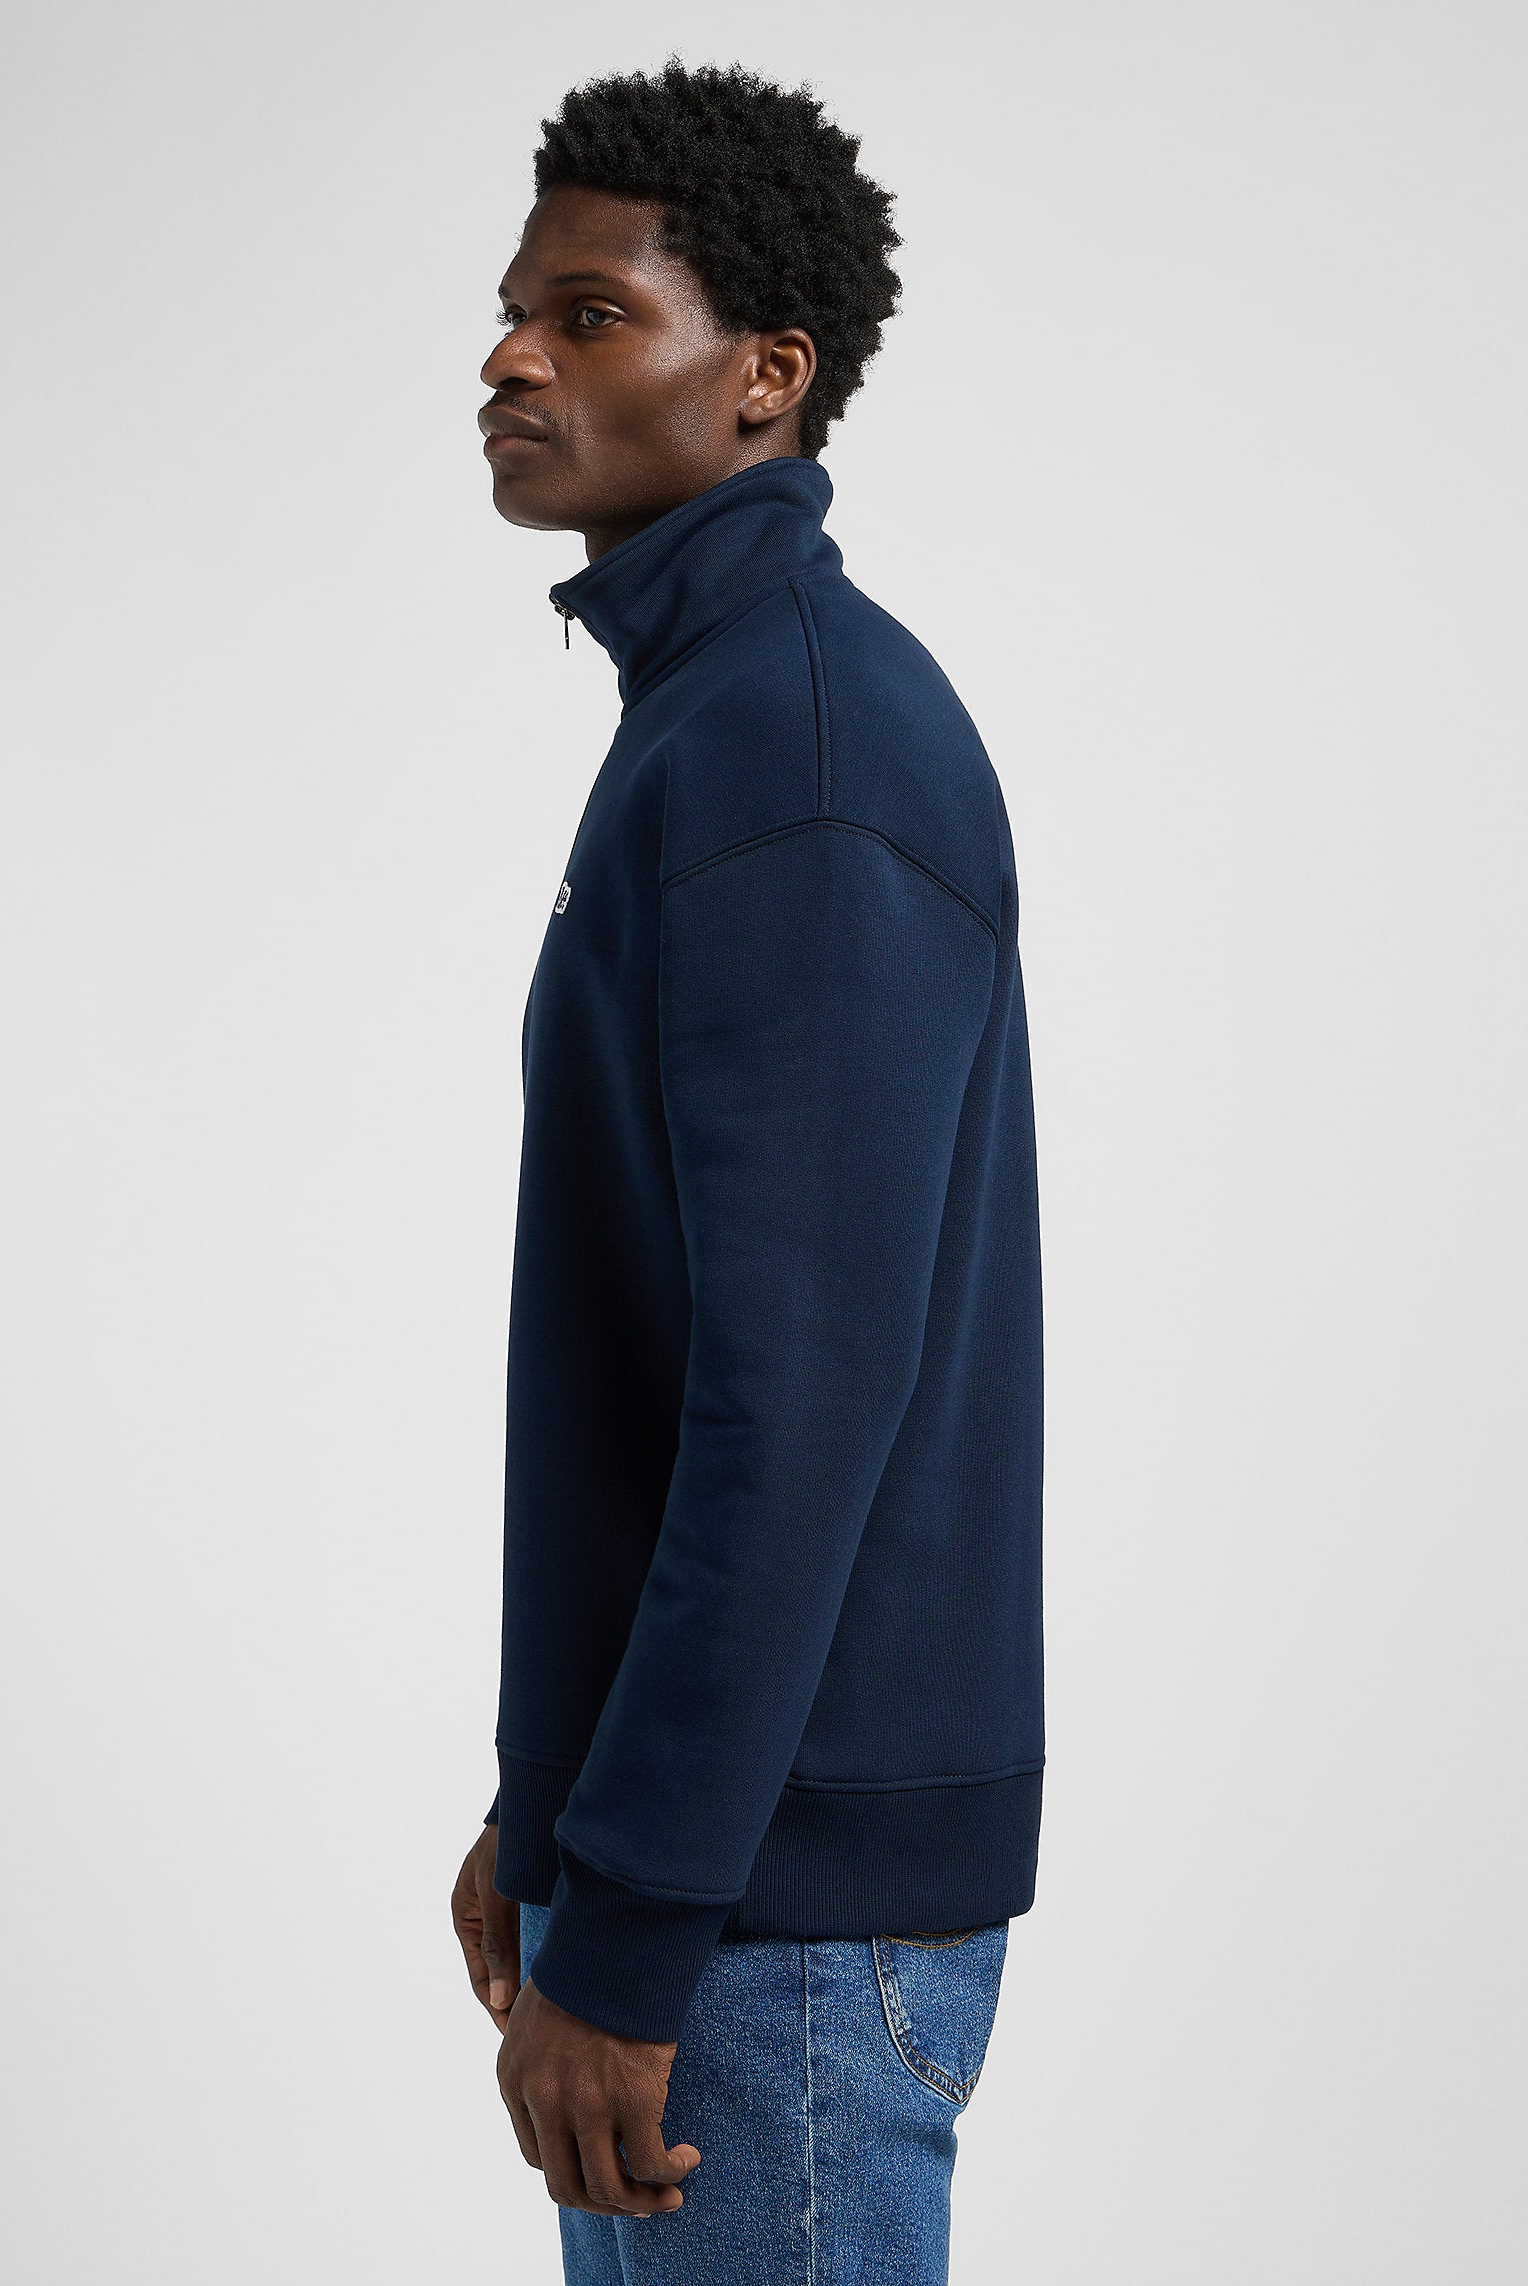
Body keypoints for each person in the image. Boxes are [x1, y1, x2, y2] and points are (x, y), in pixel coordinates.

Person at [449, 61, 1044, 2285]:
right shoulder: (716, 722)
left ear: (767, 376)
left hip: (769, 1933)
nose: (513, 360)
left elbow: (792, 1408)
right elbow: (667, 1333)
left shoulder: (796, 744)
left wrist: (638, 1909)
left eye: (589, 316)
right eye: (512, 315)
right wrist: (558, 1816)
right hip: (704, 1885)